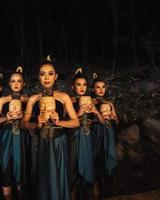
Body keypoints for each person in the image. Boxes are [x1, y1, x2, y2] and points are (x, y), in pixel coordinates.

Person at [22, 58, 80, 200]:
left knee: (59, 177)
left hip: (59, 143)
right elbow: (23, 124)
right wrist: (36, 124)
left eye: (50, 73)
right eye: (42, 74)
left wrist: (59, 121)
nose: (46, 78)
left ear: (56, 76)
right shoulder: (33, 99)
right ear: (38, 77)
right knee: (40, 178)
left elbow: (76, 122)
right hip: (40, 143)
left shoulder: (63, 97)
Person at [0, 66, 28, 200]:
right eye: (13, 81)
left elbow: (33, 120)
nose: (16, 84)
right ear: (9, 83)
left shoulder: (27, 100)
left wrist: (24, 115)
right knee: (6, 168)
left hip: (22, 136)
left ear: (23, 84)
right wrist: (6, 118)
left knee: (21, 169)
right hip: (7, 136)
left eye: (19, 81)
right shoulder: (3, 100)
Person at [69, 68, 105, 200]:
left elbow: (103, 123)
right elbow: (65, 123)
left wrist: (95, 112)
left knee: (90, 167)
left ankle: (94, 194)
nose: (82, 87)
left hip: (89, 137)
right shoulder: (69, 101)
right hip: (74, 137)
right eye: (79, 84)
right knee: (73, 170)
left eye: (84, 84)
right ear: (73, 86)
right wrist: (78, 114)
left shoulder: (92, 101)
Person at [91, 72, 118, 198]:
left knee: (109, 156)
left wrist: (114, 117)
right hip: (96, 133)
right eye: (98, 87)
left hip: (109, 132)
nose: (101, 90)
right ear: (93, 89)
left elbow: (117, 122)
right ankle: (96, 186)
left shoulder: (109, 103)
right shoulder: (90, 102)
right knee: (97, 156)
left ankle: (108, 185)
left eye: (103, 87)